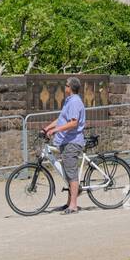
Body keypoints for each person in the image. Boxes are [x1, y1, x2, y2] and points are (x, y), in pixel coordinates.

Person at [45, 78, 86, 214]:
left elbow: (73, 123)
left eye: (66, 85)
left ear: (70, 88)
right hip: (66, 141)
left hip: (72, 142)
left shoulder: (74, 102)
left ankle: (73, 205)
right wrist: (46, 128)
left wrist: (55, 130)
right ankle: (69, 203)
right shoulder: (70, 100)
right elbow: (61, 119)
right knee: (68, 173)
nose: (64, 87)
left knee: (71, 173)